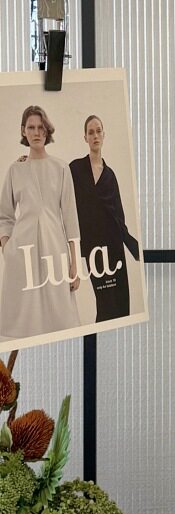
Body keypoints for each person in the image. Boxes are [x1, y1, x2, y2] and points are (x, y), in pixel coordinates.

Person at [0, 105, 80, 340]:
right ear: (23, 131)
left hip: (55, 252)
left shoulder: (61, 167)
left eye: (41, 127)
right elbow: (4, 215)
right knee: (20, 326)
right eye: (31, 127)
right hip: (22, 254)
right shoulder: (15, 169)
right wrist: (7, 247)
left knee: (62, 322)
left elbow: (71, 218)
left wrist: (75, 264)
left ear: (47, 131)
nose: (36, 132)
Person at [69, 114, 139, 321]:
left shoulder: (110, 175)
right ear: (85, 137)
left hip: (114, 246)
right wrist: (28, 161)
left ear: (104, 135)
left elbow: (119, 218)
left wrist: (134, 248)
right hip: (94, 248)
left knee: (120, 304)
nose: (95, 136)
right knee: (105, 303)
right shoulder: (75, 168)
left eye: (98, 131)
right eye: (91, 132)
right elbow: (56, 181)